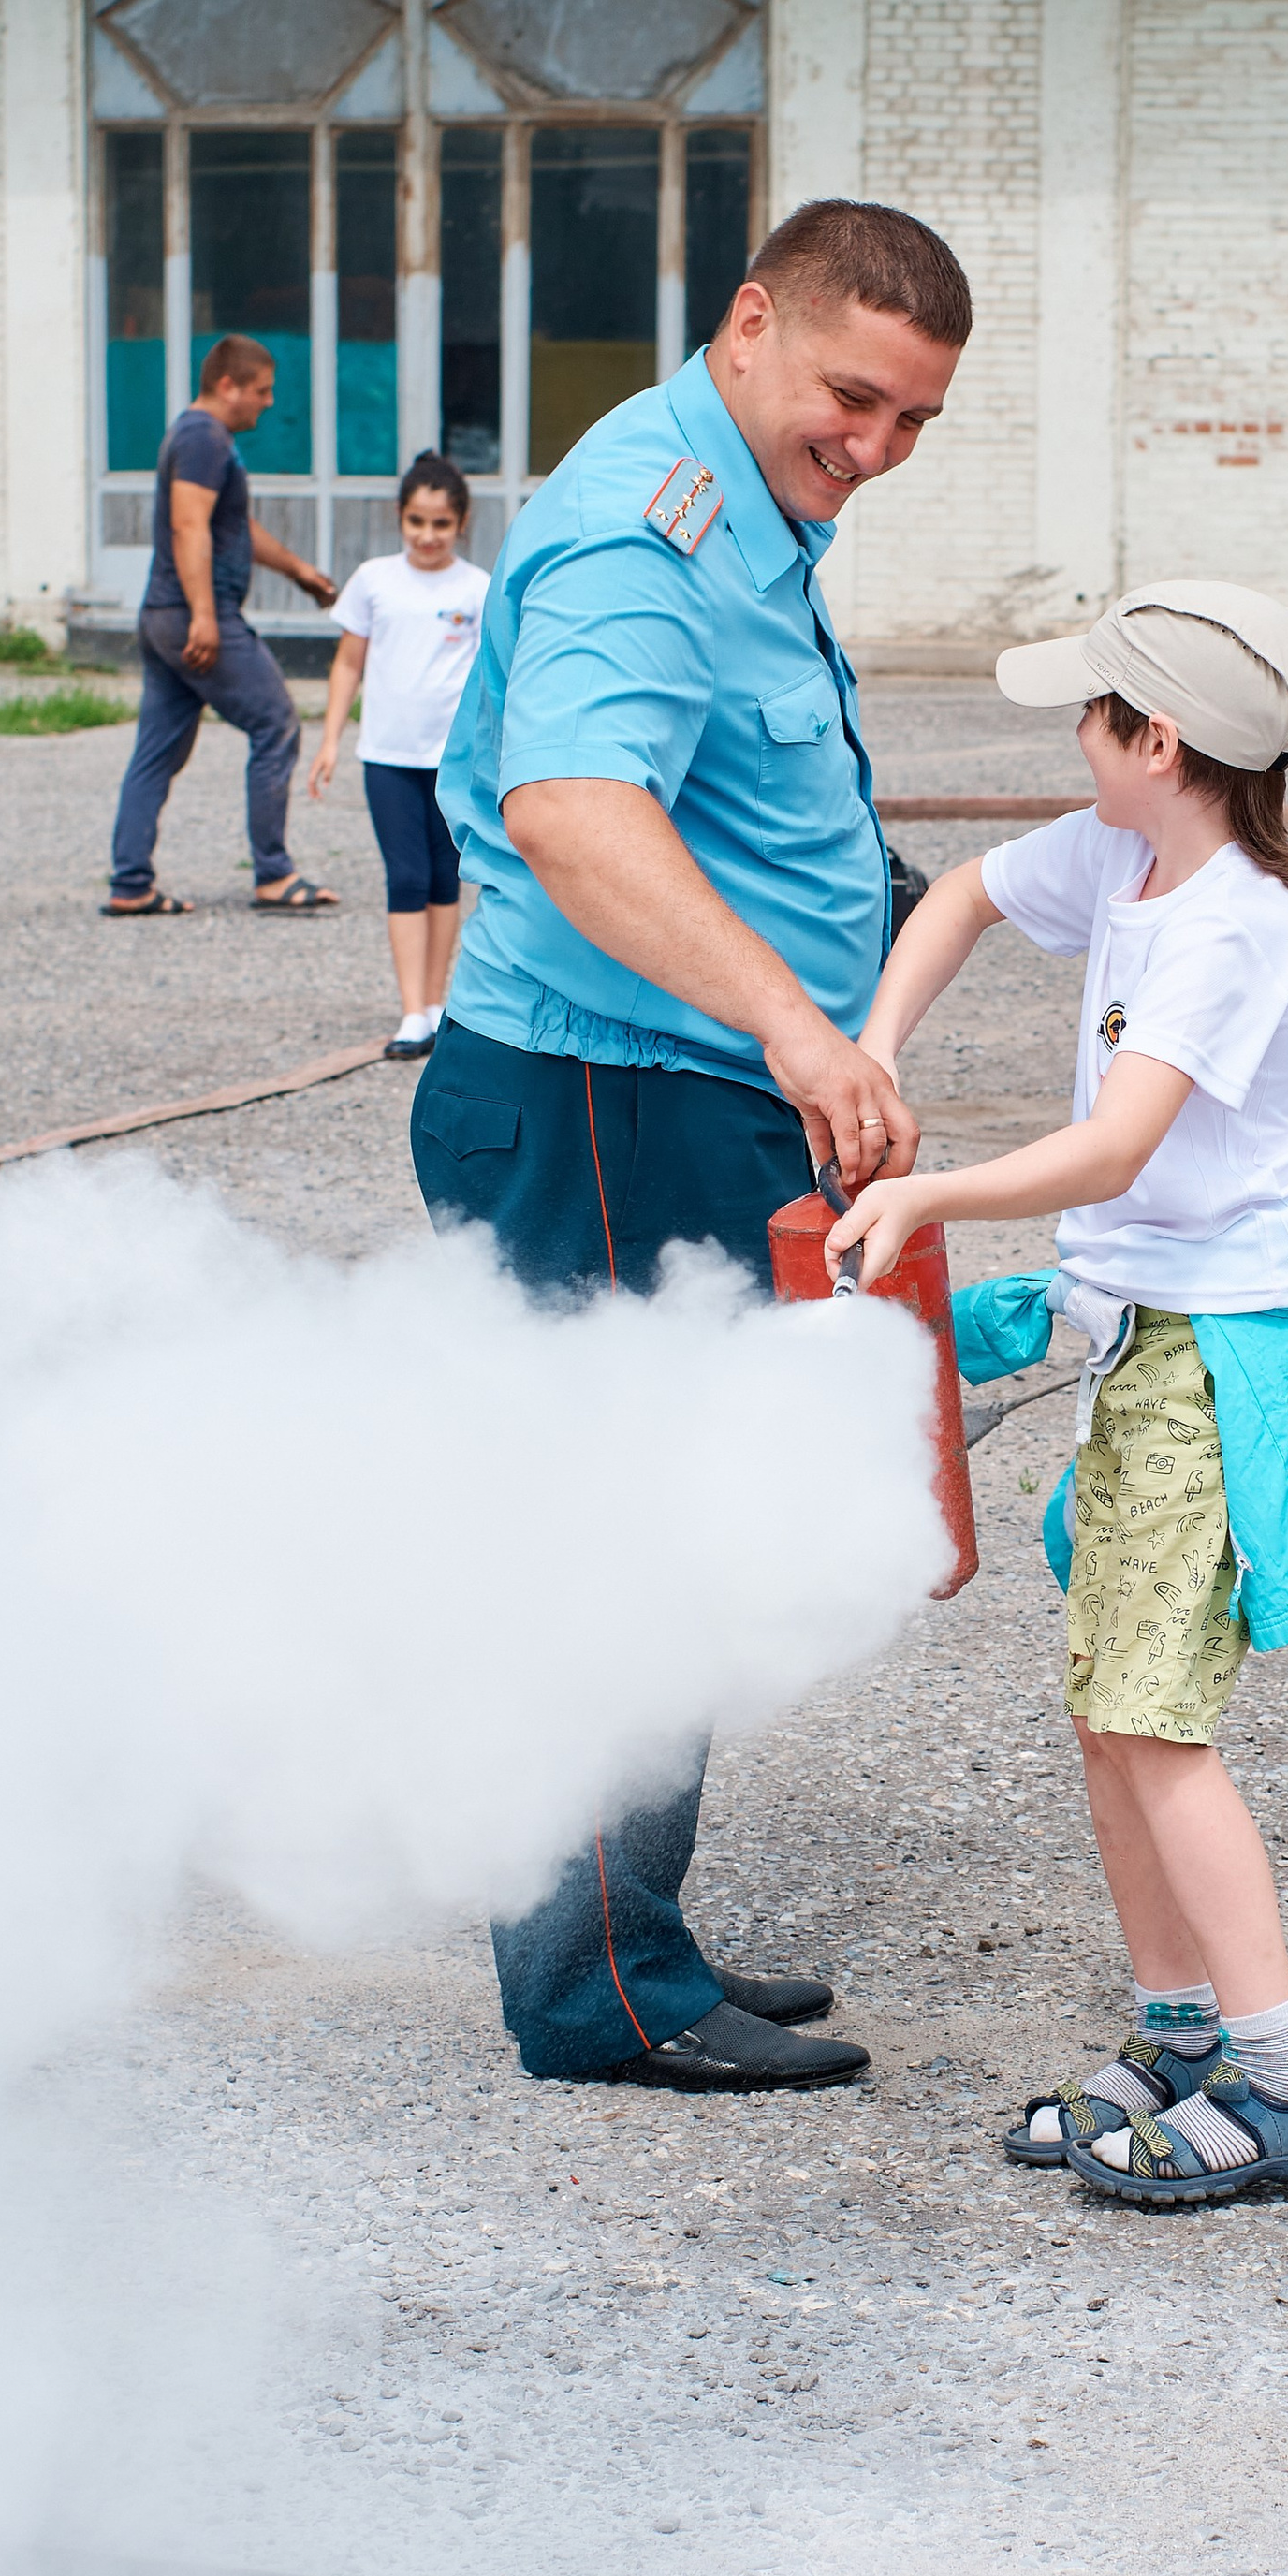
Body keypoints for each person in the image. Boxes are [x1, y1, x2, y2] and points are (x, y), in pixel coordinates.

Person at [409, 198, 967, 2097]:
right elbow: (575, 813)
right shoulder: (641, 526)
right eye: (849, 397)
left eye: (911, 421)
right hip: (600, 1101)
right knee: (612, 1538)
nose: (875, 450)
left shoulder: (744, 502)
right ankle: (597, 1994)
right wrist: (797, 1020)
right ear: (747, 325)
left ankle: (629, 1936)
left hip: (666, 1096)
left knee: (672, 1520)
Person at [826, 583, 1288, 2209]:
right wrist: (876, 1056)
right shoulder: (1127, 849)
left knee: (1157, 1719)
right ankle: (1180, 2037)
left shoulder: (1231, 921)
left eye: (1090, 713)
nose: (1071, 738)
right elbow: (957, 906)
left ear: (1158, 740)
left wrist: (934, 1200)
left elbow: (1122, 1148)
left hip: (1224, 1349)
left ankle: (1287, 2086)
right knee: (1107, 1711)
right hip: (1149, 1326)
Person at [104, 334, 341, 919]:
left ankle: (130, 882)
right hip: (191, 617)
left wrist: (298, 571)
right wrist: (207, 616)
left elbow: (232, 525)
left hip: (164, 616)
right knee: (277, 722)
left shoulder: (204, 440)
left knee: (157, 752)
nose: (267, 403)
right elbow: (190, 527)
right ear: (227, 385)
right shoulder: (204, 437)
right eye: (261, 391)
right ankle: (273, 874)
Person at [308, 454, 490, 1056]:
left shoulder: (477, 588)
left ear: (461, 523)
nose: (427, 536)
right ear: (399, 517)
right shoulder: (373, 580)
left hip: (452, 761)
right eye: (417, 521)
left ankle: (439, 1004)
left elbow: (493, 677)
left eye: (441, 524)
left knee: (444, 879)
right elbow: (347, 663)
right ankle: (411, 1010)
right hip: (387, 757)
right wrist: (331, 739)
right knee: (406, 877)